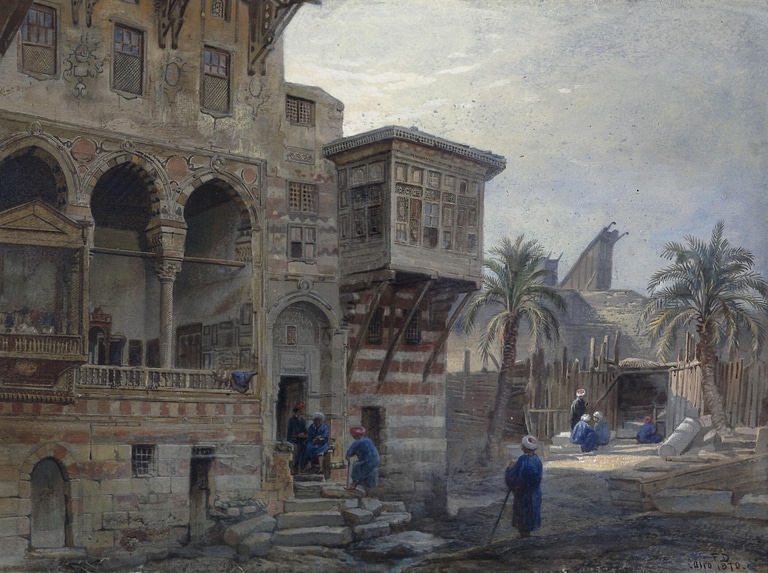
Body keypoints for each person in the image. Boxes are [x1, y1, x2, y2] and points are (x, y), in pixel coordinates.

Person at [505, 434, 543, 538]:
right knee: (532, 511)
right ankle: (528, 531)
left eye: (522, 446)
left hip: (523, 493)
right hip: (534, 492)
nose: (521, 447)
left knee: (523, 512)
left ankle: (524, 533)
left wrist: (509, 469)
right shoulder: (537, 460)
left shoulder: (523, 460)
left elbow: (516, 478)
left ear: (525, 448)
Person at [344, 425, 380, 495]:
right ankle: (370, 490)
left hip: (367, 461)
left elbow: (349, 453)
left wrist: (348, 457)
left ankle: (353, 485)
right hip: (375, 460)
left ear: (355, 436)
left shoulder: (358, 442)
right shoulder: (368, 440)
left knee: (357, 466)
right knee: (371, 472)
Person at [287, 402, 308, 475]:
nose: (302, 412)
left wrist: (304, 434)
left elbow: (305, 430)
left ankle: (299, 469)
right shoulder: (292, 420)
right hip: (294, 440)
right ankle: (292, 469)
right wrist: (297, 435)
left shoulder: (303, 420)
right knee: (295, 453)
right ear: (297, 411)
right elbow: (290, 432)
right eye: (301, 411)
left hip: (301, 440)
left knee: (302, 453)